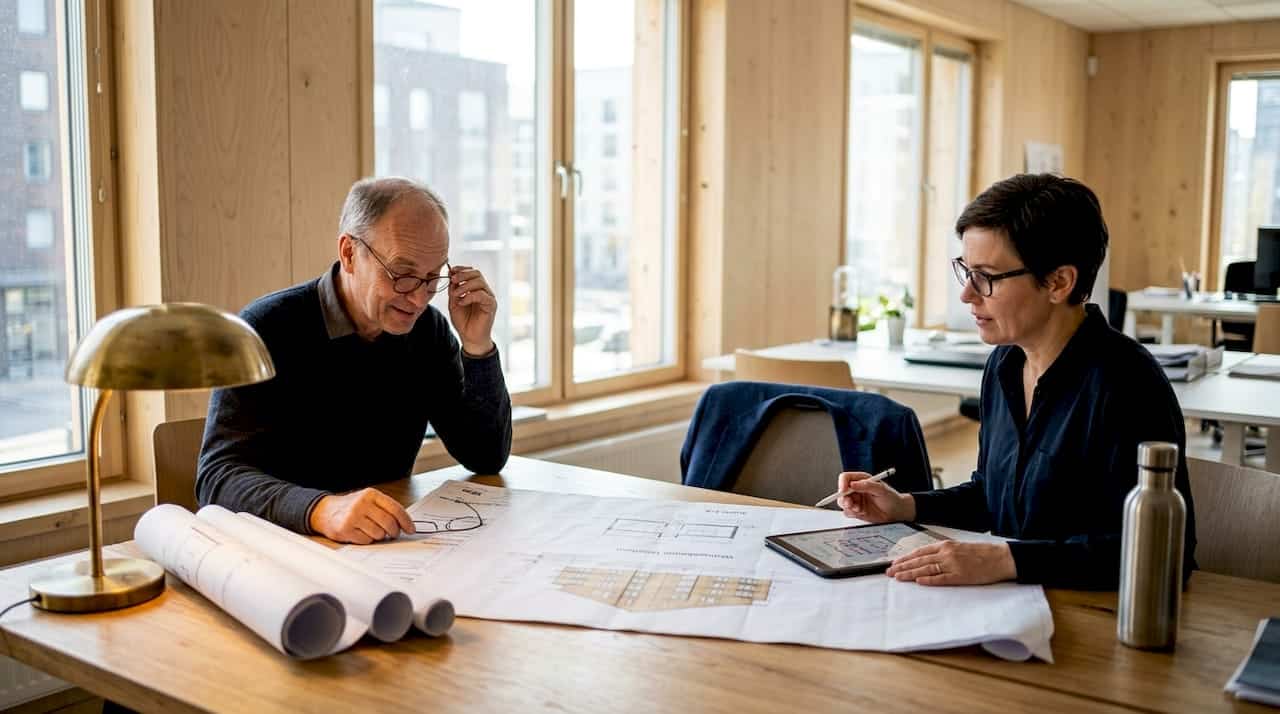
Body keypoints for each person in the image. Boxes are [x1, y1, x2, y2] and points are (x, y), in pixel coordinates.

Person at [837, 173, 1197, 590]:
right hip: (1018, 607)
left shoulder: (1128, 385)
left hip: (1101, 620)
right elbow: (991, 495)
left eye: (987, 276)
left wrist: (1008, 559)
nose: (968, 295)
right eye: (966, 272)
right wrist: (906, 505)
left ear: (1059, 282)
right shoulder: (1005, 364)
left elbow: (1160, 553)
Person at [197, 177, 512, 544]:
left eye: (431, 278)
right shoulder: (264, 329)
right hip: (284, 549)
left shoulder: (427, 332)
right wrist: (321, 509)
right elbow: (217, 477)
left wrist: (476, 345)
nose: (418, 299)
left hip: (383, 548)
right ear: (349, 253)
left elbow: (485, 456)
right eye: (402, 274)